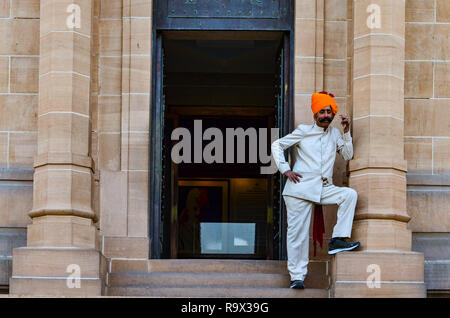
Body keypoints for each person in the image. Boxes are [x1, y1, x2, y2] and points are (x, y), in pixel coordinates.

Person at [271, 91, 360, 289]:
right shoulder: (303, 130)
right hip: (298, 190)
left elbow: (347, 154)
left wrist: (346, 133)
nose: (326, 115)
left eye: (329, 111)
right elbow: (277, 144)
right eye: (322, 112)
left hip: (323, 188)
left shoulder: (336, 134)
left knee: (349, 195)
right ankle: (297, 276)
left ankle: (337, 239)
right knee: (298, 235)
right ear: (315, 115)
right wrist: (286, 170)